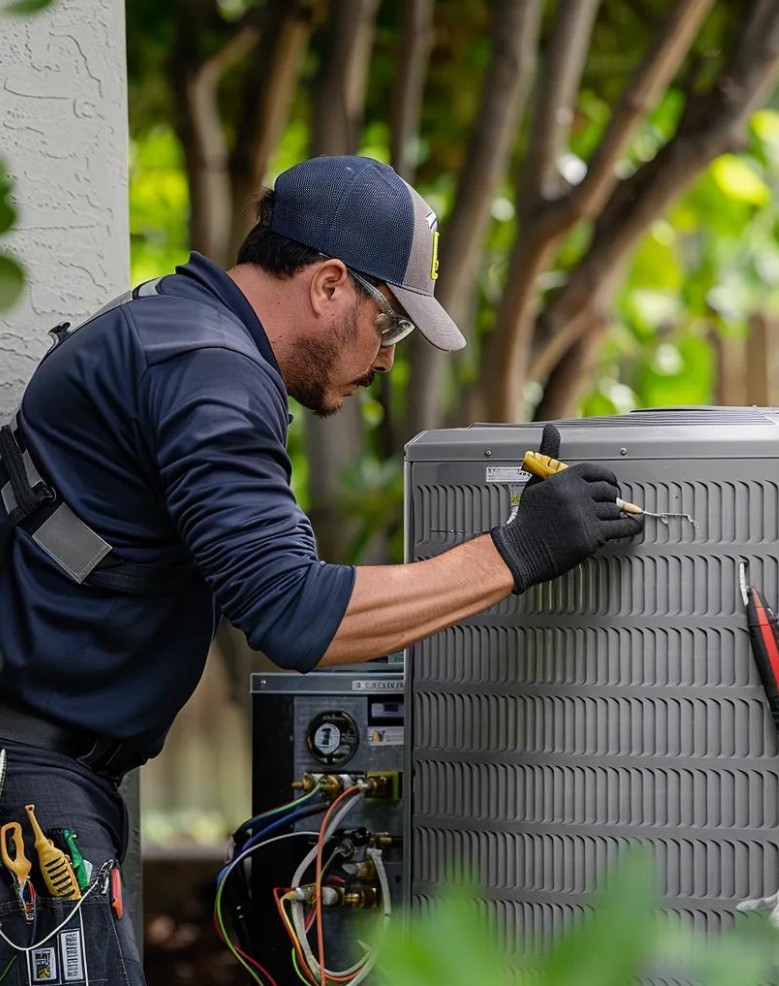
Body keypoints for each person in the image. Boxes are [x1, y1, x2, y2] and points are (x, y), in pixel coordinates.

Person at [0, 155, 642, 982]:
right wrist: (518, 551)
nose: (386, 363)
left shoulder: (172, 323)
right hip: (32, 785)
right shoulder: (211, 370)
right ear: (330, 284)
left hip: (46, 773)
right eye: (392, 327)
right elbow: (297, 614)